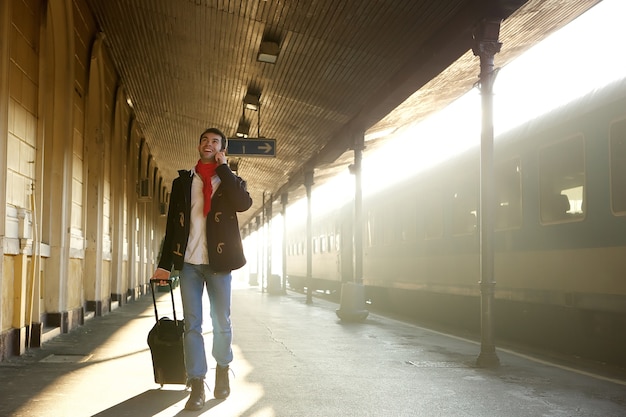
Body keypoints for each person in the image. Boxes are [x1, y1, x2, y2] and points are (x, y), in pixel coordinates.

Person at [152, 127, 252, 411]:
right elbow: (172, 225)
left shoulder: (230, 181)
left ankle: (223, 369)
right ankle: (196, 383)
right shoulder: (183, 183)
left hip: (219, 264)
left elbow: (244, 204)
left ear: (222, 149)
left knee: (222, 322)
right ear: (198, 146)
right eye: (205, 140)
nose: (208, 144)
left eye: (215, 142)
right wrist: (164, 266)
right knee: (192, 325)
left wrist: (224, 169)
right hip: (189, 265)